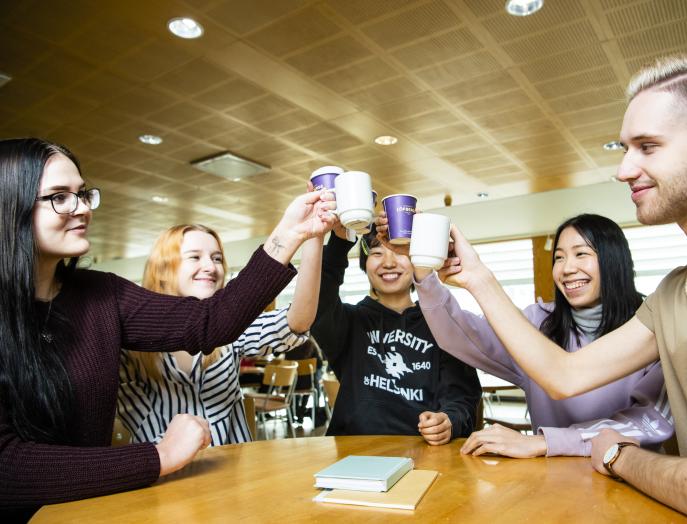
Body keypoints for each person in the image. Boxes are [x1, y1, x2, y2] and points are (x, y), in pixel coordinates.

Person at [428, 52, 687, 522]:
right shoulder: (674, 292)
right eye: (625, 149)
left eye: (648, 146)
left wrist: (617, 455)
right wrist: (476, 277)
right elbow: (565, 375)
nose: (623, 170)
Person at [0, 138, 336, 521]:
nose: (81, 209)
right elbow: (6, 465)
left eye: (83, 194)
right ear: (10, 205)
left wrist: (290, 235)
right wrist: (158, 455)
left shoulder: (100, 294)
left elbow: (209, 322)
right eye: (60, 196)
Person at [398, 214, 672, 458]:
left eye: (581, 254)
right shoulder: (538, 323)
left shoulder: (647, 327)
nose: (566, 268)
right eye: (559, 257)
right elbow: (460, 335)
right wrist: (423, 269)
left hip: (629, 478)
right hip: (551, 483)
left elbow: (650, 420)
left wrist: (545, 442)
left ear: (614, 261)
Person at [117, 224, 323, 445]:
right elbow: (145, 431)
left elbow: (296, 322)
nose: (210, 267)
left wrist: (314, 236)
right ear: (163, 271)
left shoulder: (231, 332)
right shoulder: (130, 348)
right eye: (194, 257)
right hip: (167, 475)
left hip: (236, 473)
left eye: (216, 259)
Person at [310, 223, 481, 445]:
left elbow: (461, 395)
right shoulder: (349, 322)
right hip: (354, 454)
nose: (388, 263)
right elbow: (317, 301)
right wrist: (340, 242)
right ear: (365, 263)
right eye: (377, 253)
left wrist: (448, 420)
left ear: (417, 261)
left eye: (400, 252)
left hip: (424, 454)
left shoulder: (442, 323)